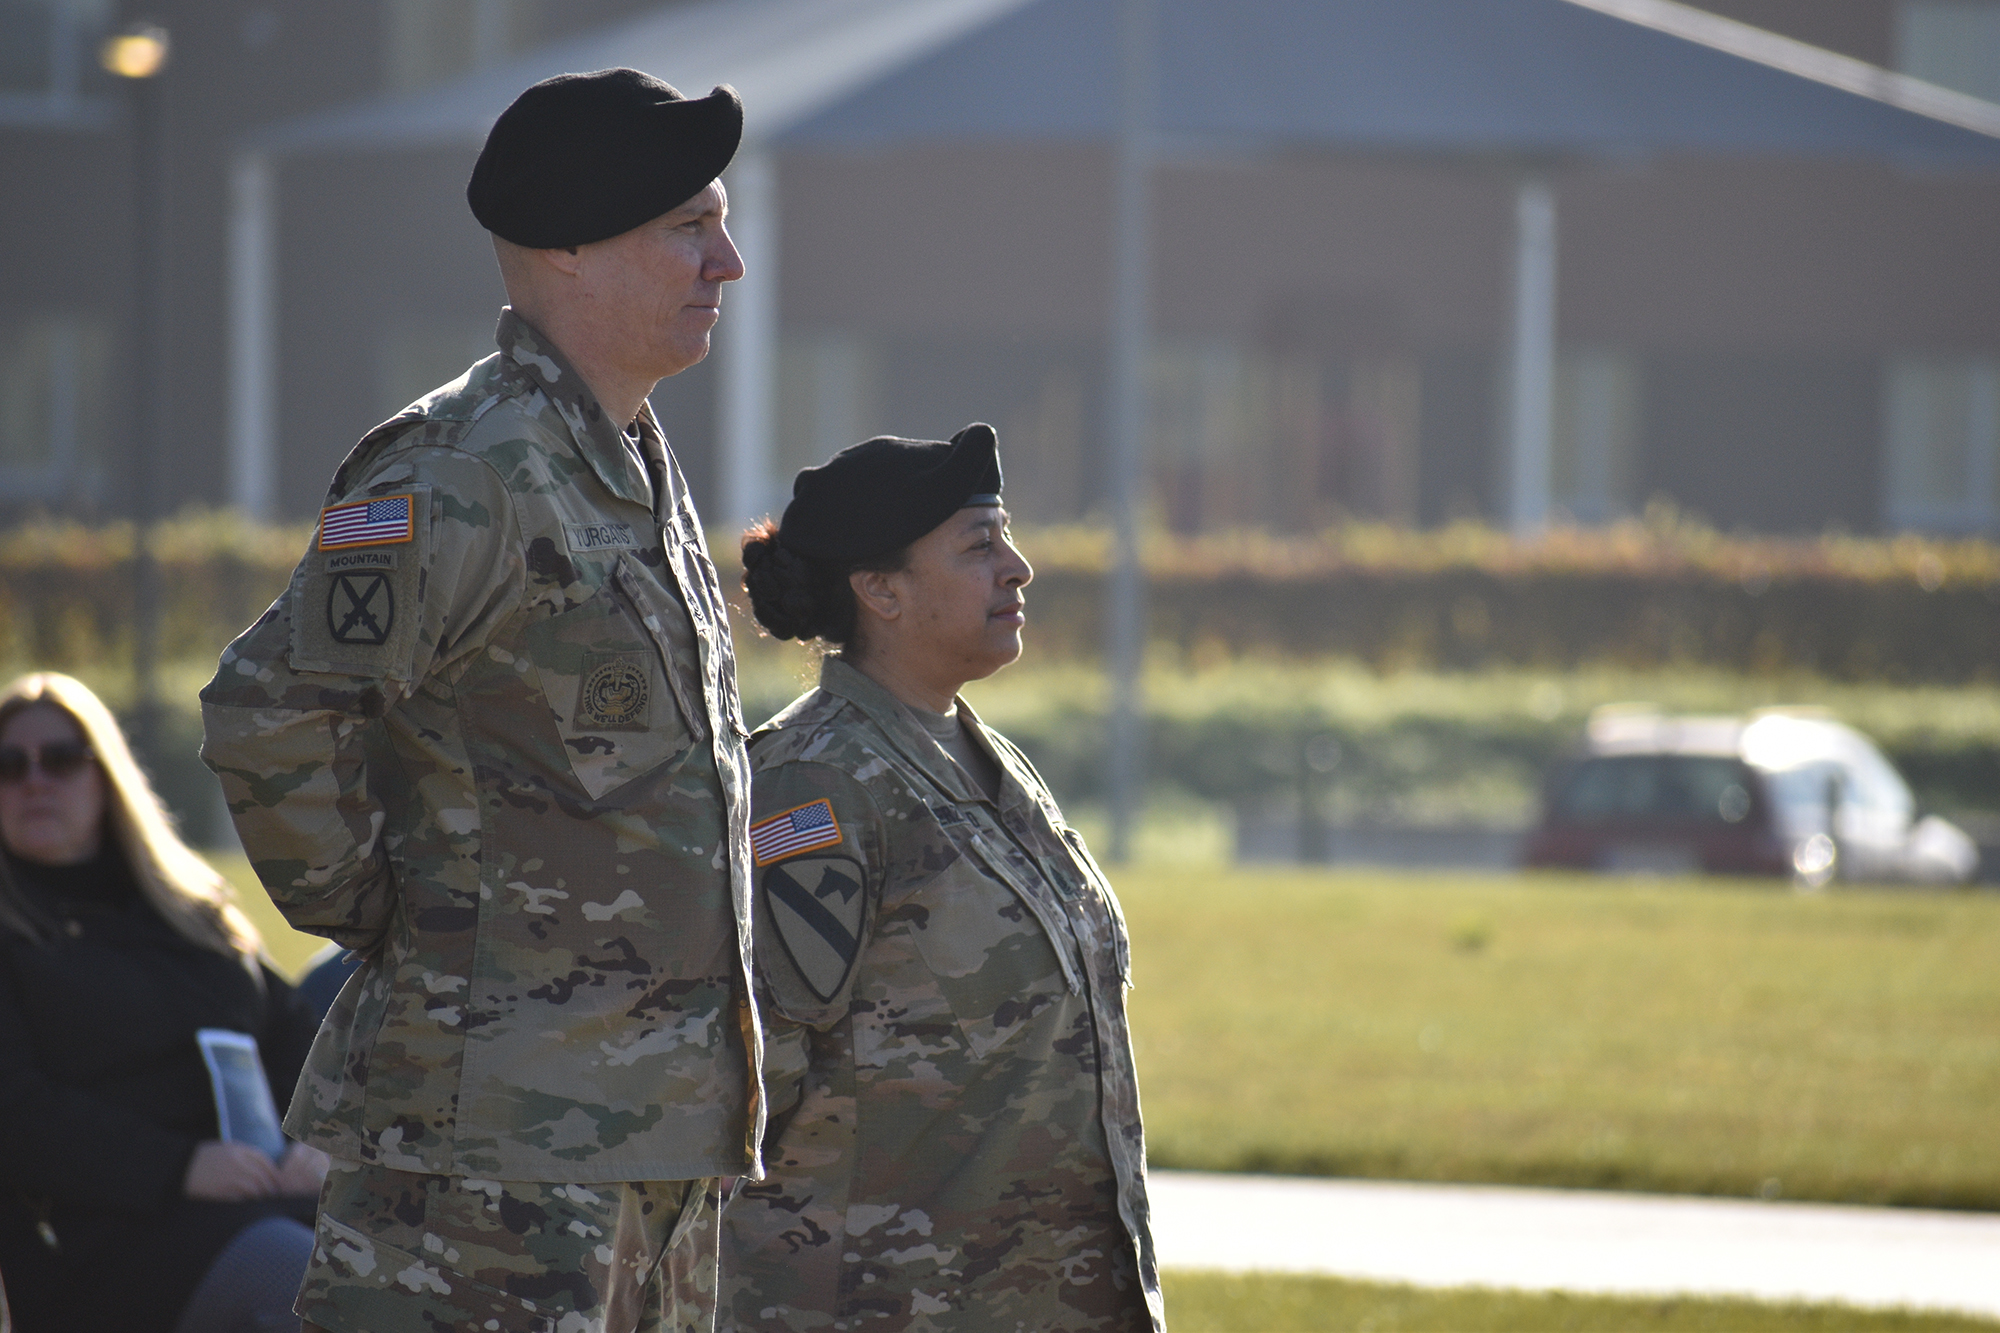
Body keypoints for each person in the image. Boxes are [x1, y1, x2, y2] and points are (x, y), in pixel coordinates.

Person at [199, 67, 766, 1333]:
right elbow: (272, 707)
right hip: (490, 1157)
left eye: (721, 223)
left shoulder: (622, 459)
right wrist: (388, 917)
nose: (725, 261)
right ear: (566, 247)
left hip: (646, 1140)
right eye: (689, 226)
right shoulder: (466, 468)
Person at [722, 426, 1165, 1331]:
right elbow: (748, 1095)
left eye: (1006, 536)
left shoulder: (981, 758)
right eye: (979, 546)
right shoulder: (815, 786)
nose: (1019, 568)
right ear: (879, 590)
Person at [0, 672, 326, 1333]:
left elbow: (297, 1033)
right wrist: (178, 1167)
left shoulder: (190, 914)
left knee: (428, 1263)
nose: (34, 780)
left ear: (106, 777)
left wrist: (317, 1138)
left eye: (60, 758)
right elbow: (18, 1111)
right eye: (8, 765)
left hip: (261, 1201)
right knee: (323, 1288)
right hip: (104, 1240)